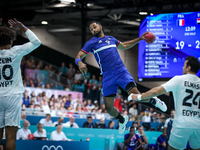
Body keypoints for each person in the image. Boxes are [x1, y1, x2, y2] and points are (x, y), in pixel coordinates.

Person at [75, 21, 167, 134]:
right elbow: (78, 56)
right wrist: (79, 62)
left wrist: (140, 39)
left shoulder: (111, 39)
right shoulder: (91, 43)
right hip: (107, 76)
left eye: (94, 27)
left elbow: (124, 46)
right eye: (91, 29)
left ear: (100, 26)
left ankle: (153, 100)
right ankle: (122, 120)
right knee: (108, 108)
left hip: (121, 71)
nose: (93, 30)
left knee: (135, 96)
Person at [130, 56, 200, 150]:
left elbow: (156, 91)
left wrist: (139, 97)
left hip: (181, 125)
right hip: (198, 125)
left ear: (189, 68)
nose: (182, 67)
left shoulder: (179, 79)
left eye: (184, 65)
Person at [0, 18, 41, 150]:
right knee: (11, 137)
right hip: (13, 96)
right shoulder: (15, 51)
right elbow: (37, 42)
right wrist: (23, 27)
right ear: (11, 41)